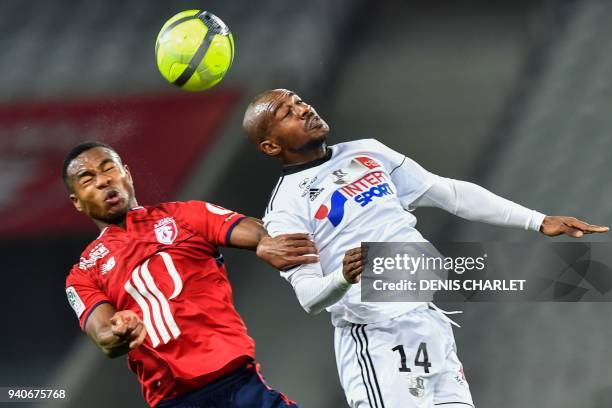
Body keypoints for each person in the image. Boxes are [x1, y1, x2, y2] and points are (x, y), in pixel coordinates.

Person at [242, 89, 609, 408]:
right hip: (377, 337)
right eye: (286, 112)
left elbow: (447, 192)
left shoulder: (366, 152)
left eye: (300, 101)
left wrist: (537, 220)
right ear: (271, 145)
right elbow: (308, 297)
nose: (304, 109)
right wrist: (341, 276)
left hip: (427, 319)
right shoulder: (286, 207)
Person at [63, 141, 318, 408]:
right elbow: (104, 336)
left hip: (241, 384)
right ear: (77, 201)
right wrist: (120, 331)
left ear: (126, 173)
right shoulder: (83, 273)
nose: (103, 180)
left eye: (108, 169)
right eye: (88, 179)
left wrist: (265, 240)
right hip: (174, 399)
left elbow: (259, 232)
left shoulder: (186, 215)